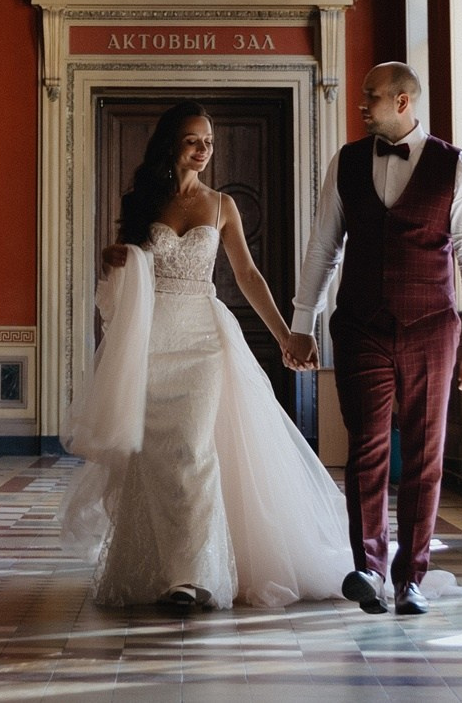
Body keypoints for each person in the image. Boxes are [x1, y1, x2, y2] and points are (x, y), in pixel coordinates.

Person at [60, 101, 351, 612]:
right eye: (193, 140)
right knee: (153, 457)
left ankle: (191, 577)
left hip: (202, 338)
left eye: (209, 142)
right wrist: (114, 258)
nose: (203, 150)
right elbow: (123, 267)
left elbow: (248, 276)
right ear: (171, 144)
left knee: (193, 451)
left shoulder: (221, 206)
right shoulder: (143, 202)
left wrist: (286, 335)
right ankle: (160, 567)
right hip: (150, 340)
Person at [292, 62, 462, 615]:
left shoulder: (456, 166)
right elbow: (323, 246)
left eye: (371, 96)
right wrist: (302, 323)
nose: (362, 104)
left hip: (432, 327)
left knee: (426, 455)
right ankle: (369, 568)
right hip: (361, 326)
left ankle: (411, 578)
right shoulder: (347, 161)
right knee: (367, 449)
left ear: (403, 101)